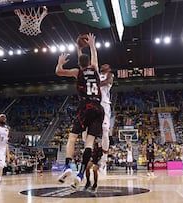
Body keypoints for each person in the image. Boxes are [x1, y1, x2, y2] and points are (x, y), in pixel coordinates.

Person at [55, 33, 104, 190]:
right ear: (89, 62)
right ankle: (81, 174)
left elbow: (58, 72)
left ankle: (68, 166)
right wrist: (91, 45)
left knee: (72, 138)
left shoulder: (77, 72)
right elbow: (93, 56)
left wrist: (60, 62)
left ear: (79, 63)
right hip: (99, 108)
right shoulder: (95, 69)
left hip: (85, 107)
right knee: (89, 143)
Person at [98, 63, 114, 173]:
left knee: (105, 131)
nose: (103, 65)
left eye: (106, 65)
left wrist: (94, 84)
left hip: (104, 104)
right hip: (94, 102)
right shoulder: (96, 73)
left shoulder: (110, 75)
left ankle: (103, 161)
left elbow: (106, 82)